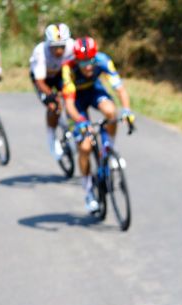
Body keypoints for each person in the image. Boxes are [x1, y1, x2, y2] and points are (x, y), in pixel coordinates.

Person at [60, 37, 134, 213]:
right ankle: (88, 192)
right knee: (85, 148)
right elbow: (69, 105)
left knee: (111, 112)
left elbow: (120, 88)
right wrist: (81, 122)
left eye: (90, 61)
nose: (87, 66)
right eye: (83, 62)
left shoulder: (102, 60)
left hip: (94, 91)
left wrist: (127, 111)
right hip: (76, 100)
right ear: (76, 60)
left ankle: (109, 150)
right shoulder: (68, 69)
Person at [29, 23, 75, 160]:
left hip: (60, 74)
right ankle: (51, 136)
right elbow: (40, 82)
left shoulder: (72, 46)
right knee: (54, 106)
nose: (59, 51)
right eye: (55, 47)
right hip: (43, 79)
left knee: (72, 98)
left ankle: (72, 128)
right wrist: (53, 95)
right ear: (48, 43)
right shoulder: (40, 51)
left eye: (62, 46)